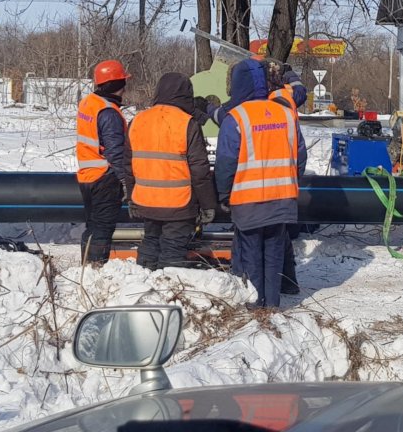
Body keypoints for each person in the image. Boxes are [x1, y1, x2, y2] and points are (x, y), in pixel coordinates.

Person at [215, 58, 307, 308]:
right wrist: (291, 183)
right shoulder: (286, 114)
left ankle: (256, 309)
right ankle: (273, 306)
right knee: (274, 255)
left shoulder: (236, 118)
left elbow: (225, 162)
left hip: (248, 203)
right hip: (282, 201)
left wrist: (224, 194)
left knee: (251, 256)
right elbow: (300, 155)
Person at [124, 72, 217, 270]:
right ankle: (168, 287)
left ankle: (143, 284)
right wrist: (208, 204)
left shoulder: (138, 121)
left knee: (150, 242)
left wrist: (132, 198)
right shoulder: (187, 123)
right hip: (178, 204)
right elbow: (200, 170)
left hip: (146, 201)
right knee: (173, 250)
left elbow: (128, 166)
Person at [76, 59, 130, 264]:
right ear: (119, 85)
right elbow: (115, 152)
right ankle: (95, 270)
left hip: (87, 176)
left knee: (92, 227)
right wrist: (125, 180)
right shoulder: (109, 112)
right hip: (105, 179)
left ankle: (86, 268)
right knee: (102, 230)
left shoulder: (89, 103)